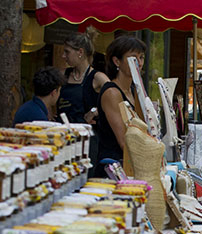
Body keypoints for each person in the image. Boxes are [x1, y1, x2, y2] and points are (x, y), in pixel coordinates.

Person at [94, 35, 147, 175]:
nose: (139, 63)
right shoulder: (112, 92)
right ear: (117, 61)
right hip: (112, 169)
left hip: (129, 166)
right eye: (133, 58)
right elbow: (124, 141)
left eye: (141, 57)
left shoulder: (134, 90)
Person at [58, 31, 109, 165]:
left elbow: (117, 99)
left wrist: (94, 111)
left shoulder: (97, 78)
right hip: (63, 137)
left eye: (67, 52)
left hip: (86, 141)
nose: (63, 56)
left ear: (80, 52)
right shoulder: (63, 75)